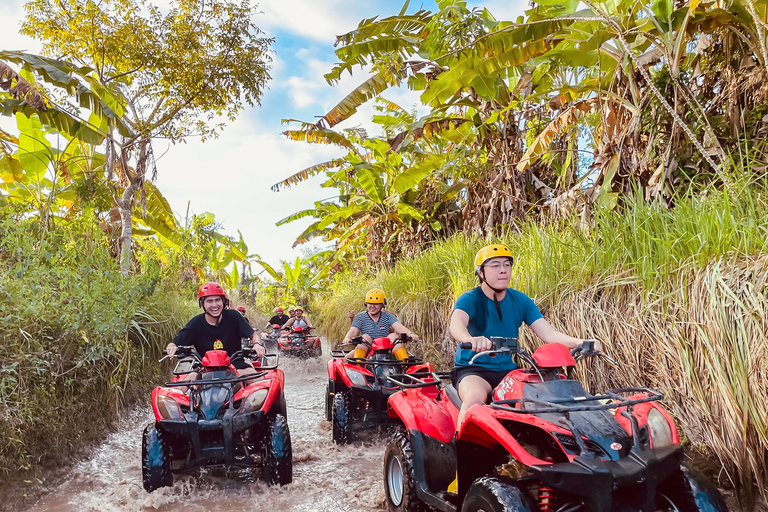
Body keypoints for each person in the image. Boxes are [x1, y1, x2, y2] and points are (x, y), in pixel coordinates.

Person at [449, 244, 598, 428]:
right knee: (474, 398)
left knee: (547, 399)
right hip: (473, 369)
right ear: (481, 273)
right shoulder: (470, 298)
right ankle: (462, 451)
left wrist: (582, 343)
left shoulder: (521, 300)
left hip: (508, 371)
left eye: (507, 265)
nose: (503, 270)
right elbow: (456, 325)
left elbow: (549, 333)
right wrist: (470, 339)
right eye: (495, 265)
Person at [165, 282, 265, 382]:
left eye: (217, 300)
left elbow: (253, 335)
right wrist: (172, 346)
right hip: (204, 368)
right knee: (179, 389)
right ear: (202, 304)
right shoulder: (195, 323)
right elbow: (175, 342)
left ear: (223, 301)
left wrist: (257, 344)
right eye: (209, 301)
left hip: (236, 364)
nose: (214, 305)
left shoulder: (234, 316)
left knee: (261, 385)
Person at [341, 288, 419, 360]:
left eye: (376, 304)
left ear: (382, 304)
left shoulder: (388, 316)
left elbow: (399, 327)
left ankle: (404, 364)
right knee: (364, 338)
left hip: (385, 350)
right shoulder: (360, 317)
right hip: (368, 349)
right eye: (370, 303)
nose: (372, 306)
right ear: (366, 304)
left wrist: (410, 334)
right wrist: (347, 338)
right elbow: (353, 331)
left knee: (393, 336)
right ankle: (358, 366)